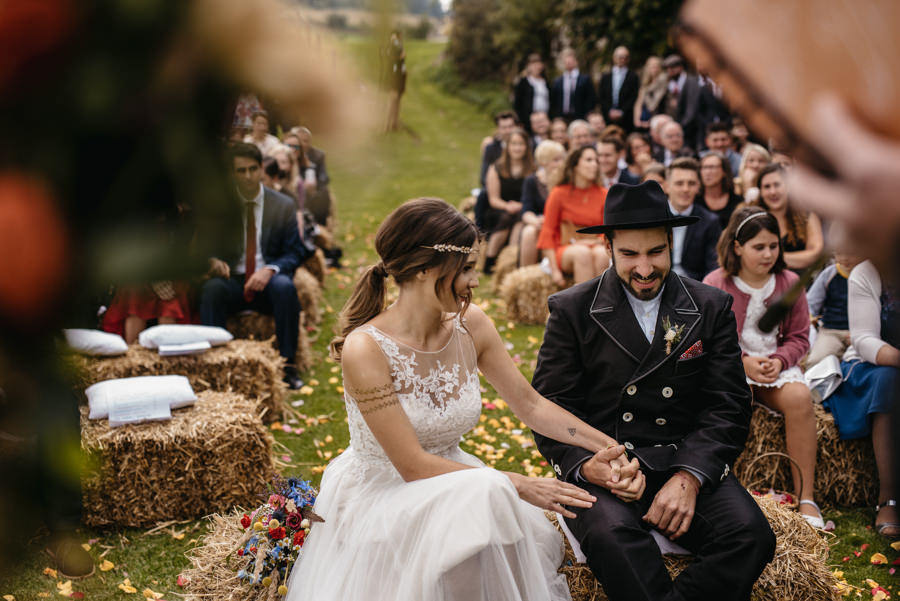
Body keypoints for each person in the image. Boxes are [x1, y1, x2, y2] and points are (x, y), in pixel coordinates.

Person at [286, 197, 644, 600]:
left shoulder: (471, 325)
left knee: (484, 504)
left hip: (463, 481)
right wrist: (520, 485)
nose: (476, 280)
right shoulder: (365, 349)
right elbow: (412, 466)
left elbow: (531, 406)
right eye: (467, 269)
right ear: (425, 269)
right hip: (388, 492)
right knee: (488, 500)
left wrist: (611, 448)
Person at [533, 180, 775, 601]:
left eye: (655, 252)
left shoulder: (710, 306)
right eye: (629, 254)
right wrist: (585, 465)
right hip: (606, 465)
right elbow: (551, 407)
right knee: (615, 541)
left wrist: (690, 477)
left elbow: (729, 405)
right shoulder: (571, 310)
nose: (644, 269)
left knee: (751, 537)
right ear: (608, 247)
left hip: (683, 455)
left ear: (670, 242)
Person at [703, 207, 823, 528]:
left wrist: (780, 360)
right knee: (725, 402)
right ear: (737, 247)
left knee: (799, 398)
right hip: (731, 368)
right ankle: (720, 490)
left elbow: (800, 337)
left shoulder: (790, 282)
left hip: (776, 366)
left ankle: (806, 497)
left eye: (774, 246)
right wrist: (742, 362)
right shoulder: (716, 283)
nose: (768, 254)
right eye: (759, 247)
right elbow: (707, 340)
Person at [200, 143, 311, 389]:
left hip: (268, 279)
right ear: (232, 173)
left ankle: (288, 367)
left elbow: (295, 252)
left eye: (253, 169)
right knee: (211, 290)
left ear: (262, 169)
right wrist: (212, 260)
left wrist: (270, 269)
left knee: (285, 288)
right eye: (241, 171)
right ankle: (215, 366)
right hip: (232, 279)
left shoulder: (282, 205)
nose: (248, 176)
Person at [823, 259, 899, 538]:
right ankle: (889, 499)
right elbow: (864, 339)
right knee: (891, 383)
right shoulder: (866, 272)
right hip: (875, 365)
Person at [536, 145, 609, 286]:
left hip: (596, 245)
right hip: (565, 248)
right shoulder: (558, 193)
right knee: (582, 253)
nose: (594, 165)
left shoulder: (603, 194)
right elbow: (547, 232)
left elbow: (607, 229)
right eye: (589, 160)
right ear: (575, 165)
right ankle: (583, 306)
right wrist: (555, 271)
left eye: (596, 161)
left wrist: (595, 242)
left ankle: (603, 305)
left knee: (601, 255)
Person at [753, 164, 824, 273]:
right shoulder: (753, 218)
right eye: (767, 187)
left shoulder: (806, 214)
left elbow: (815, 253)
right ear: (761, 192)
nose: (773, 192)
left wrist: (772, 258)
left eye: (777, 185)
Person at [482, 129, 534, 274]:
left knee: (519, 220)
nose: (517, 148)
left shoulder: (532, 169)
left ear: (526, 147)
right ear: (508, 146)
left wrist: (521, 206)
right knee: (507, 217)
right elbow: (493, 199)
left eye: (521, 144)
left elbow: (532, 198)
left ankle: (509, 262)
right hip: (499, 209)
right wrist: (507, 206)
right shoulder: (497, 168)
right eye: (514, 144)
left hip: (522, 210)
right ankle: (490, 259)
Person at [806, 245, 863, 367]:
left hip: (861, 332)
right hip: (831, 331)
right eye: (839, 253)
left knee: (860, 363)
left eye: (851, 253)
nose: (845, 258)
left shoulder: (869, 275)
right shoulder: (829, 274)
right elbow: (811, 303)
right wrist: (810, 320)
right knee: (816, 360)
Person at [665, 157, 720, 281]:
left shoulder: (710, 221)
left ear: (698, 187)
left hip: (694, 287)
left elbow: (714, 266)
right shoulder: (653, 217)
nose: (686, 189)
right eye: (679, 183)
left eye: (691, 183)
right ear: (667, 187)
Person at [520, 140, 566, 267]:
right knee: (529, 231)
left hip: (562, 224)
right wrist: (536, 221)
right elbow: (526, 210)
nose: (560, 164)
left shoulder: (565, 181)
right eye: (555, 160)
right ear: (543, 162)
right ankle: (526, 274)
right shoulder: (531, 181)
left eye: (562, 159)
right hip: (540, 222)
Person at [293, 126, 332, 228]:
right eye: (299, 141)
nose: (302, 144)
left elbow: (324, 177)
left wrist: (315, 188)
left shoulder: (318, 155)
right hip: (295, 189)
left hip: (314, 190)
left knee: (323, 193)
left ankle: (320, 226)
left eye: (305, 141)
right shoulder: (289, 154)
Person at [662, 55, 701, 151]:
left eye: (672, 68)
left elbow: (692, 110)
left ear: (680, 67)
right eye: (667, 69)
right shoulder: (670, 84)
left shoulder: (691, 82)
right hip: (677, 129)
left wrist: (679, 127)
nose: (669, 71)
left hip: (690, 132)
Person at [598, 46, 640, 133]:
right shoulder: (606, 76)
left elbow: (634, 96)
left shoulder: (633, 76)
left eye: (625, 57)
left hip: (626, 117)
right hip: (608, 117)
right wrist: (609, 111)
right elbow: (601, 96)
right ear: (614, 58)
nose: (622, 60)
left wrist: (622, 111)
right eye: (620, 57)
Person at [697, 151, 742, 229]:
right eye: (704, 167)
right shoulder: (695, 202)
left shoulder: (738, 202)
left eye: (712, 167)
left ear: (724, 171)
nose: (707, 172)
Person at [550, 48, 596, 121]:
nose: (568, 63)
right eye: (566, 61)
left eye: (570, 61)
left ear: (576, 61)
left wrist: (587, 114)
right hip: (562, 117)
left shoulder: (585, 79)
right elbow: (554, 101)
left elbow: (591, 98)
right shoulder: (558, 81)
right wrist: (556, 115)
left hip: (580, 117)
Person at [479, 110, 518, 187]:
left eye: (510, 127)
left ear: (516, 126)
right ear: (498, 129)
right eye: (504, 127)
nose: (508, 131)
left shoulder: (526, 146)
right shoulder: (491, 148)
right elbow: (483, 177)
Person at [513, 53, 549, 132]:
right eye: (533, 64)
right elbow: (517, 103)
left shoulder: (545, 82)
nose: (536, 67)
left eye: (538, 64)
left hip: (544, 116)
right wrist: (520, 120)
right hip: (528, 119)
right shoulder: (523, 82)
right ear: (529, 66)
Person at [633, 56, 669, 131]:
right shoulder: (645, 85)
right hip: (643, 119)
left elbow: (653, 105)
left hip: (657, 118)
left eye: (656, 67)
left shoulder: (663, 83)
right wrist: (637, 119)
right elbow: (638, 103)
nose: (654, 69)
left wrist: (650, 121)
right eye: (652, 67)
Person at [383, 29, 406, 132]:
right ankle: (387, 125)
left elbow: (401, 61)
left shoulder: (398, 47)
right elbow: (393, 60)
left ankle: (394, 124)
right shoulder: (393, 47)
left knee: (397, 101)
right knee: (393, 100)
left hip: (400, 77)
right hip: (394, 77)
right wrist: (400, 57)